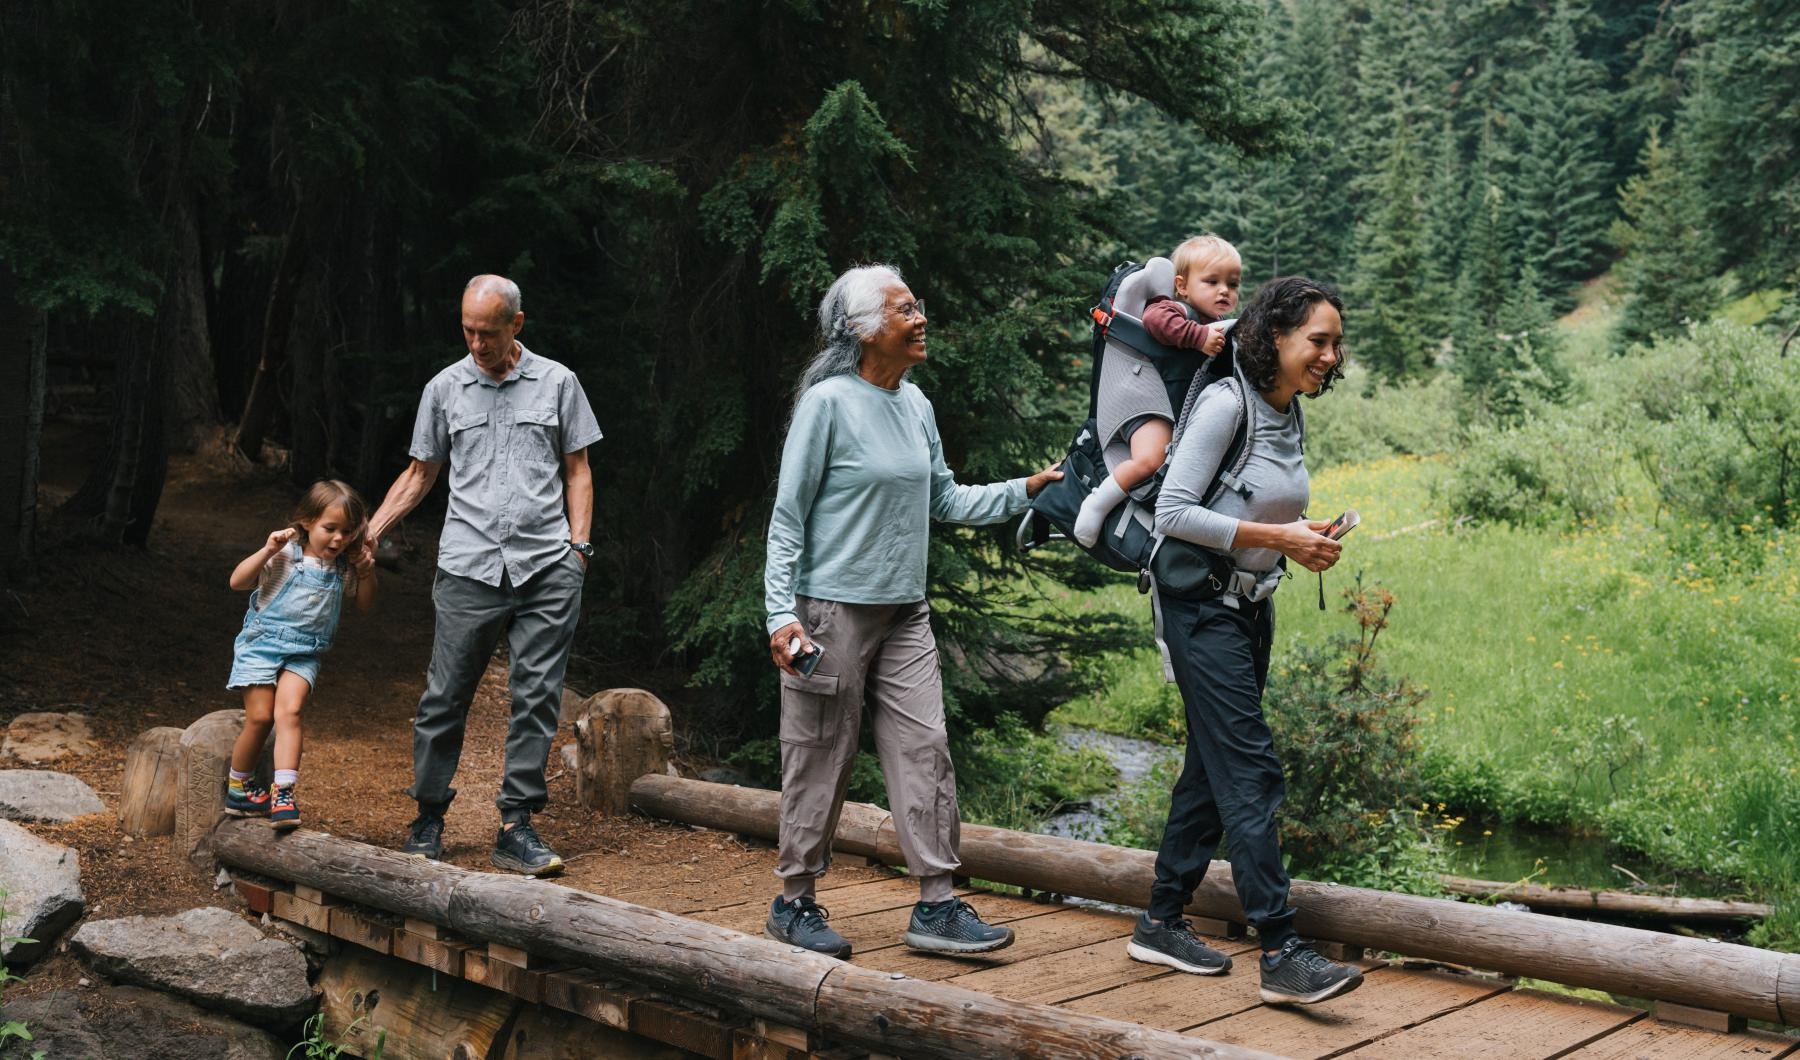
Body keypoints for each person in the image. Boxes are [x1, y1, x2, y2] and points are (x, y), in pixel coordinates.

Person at [762, 264, 1062, 959]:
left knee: (925, 752)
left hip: (905, 611)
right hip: (830, 611)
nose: (919, 317)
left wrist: (1027, 489)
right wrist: (782, 614)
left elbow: (946, 499)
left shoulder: (915, 403)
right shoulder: (828, 403)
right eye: (904, 310)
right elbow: (788, 518)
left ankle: (936, 904)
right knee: (819, 757)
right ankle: (794, 902)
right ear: (863, 330)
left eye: (916, 305)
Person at [1129, 276, 1365, 1005]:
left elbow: (1255, 505)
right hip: (1201, 609)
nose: (1330, 355)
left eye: (1335, 343)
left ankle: (1161, 920)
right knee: (1252, 772)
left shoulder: (1286, 411)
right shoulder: (1228, 403)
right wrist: (1277, 537)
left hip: (1251, 608)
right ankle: (1282, 949)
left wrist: (1300, 538)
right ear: (1276, 338)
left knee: (1211, 767)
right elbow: (1173, 510)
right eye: (1317, 341)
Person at [366, 274, 601, 876]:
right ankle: (428, 817)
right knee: (444, 697)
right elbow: (420, 474)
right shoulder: (444, 389)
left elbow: (578, 470)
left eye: (488, 333)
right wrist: (371, 532)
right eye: (468, 331)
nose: (476, 344)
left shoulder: (558, 383)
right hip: (469, 567)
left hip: (547, 566)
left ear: (515, 326)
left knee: (536, 698)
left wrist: (578, 550)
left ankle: (516, 826)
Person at [225, 480, 378, 830]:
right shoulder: (285, 555)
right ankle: (238, 787)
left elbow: (366, 605)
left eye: (347, 531)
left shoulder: (345, 568)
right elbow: (237, 582)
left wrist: (368, 573)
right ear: (307, 522)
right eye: (330, 529)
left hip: (305, 652)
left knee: (290, 712)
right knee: (261, 718)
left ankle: (283, 793)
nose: (338, 539)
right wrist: (266, 550)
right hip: (262, 645)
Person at [1073, 235, 1243, 547]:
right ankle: (1096, 504)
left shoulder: (1218, 323)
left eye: (1232, 284)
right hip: (1143, 402)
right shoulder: (1175, 308)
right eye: (1212, 281)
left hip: (1167, 406)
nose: (1224, 291)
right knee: (1150, 459)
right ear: (1182, 286)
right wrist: (1197, 336)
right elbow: (1156, 320)